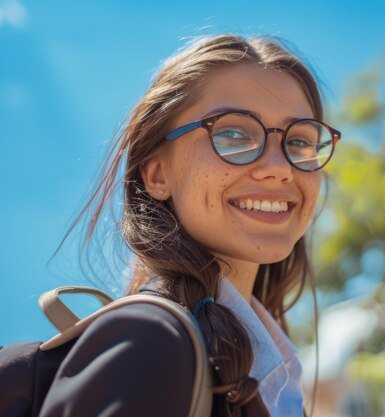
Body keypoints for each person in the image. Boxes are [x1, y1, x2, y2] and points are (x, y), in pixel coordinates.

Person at [38, 34, 341, 417]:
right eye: (232, 134)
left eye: (299, 141)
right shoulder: (149, 343)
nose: (279, 169)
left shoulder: (269, 368)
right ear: (157, 173)